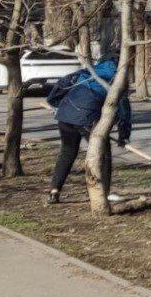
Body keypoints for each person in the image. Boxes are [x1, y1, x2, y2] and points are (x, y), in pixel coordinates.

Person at [45, 58, 132, 205]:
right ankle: (103, 194)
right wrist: (124, 135)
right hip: (86, 118)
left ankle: (54, 191)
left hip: (65, 116)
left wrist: (56, 105)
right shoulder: (118, 79)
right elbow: (124, 110)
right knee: (103, 153)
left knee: (67, 152)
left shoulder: (89, 71)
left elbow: (62, 84)